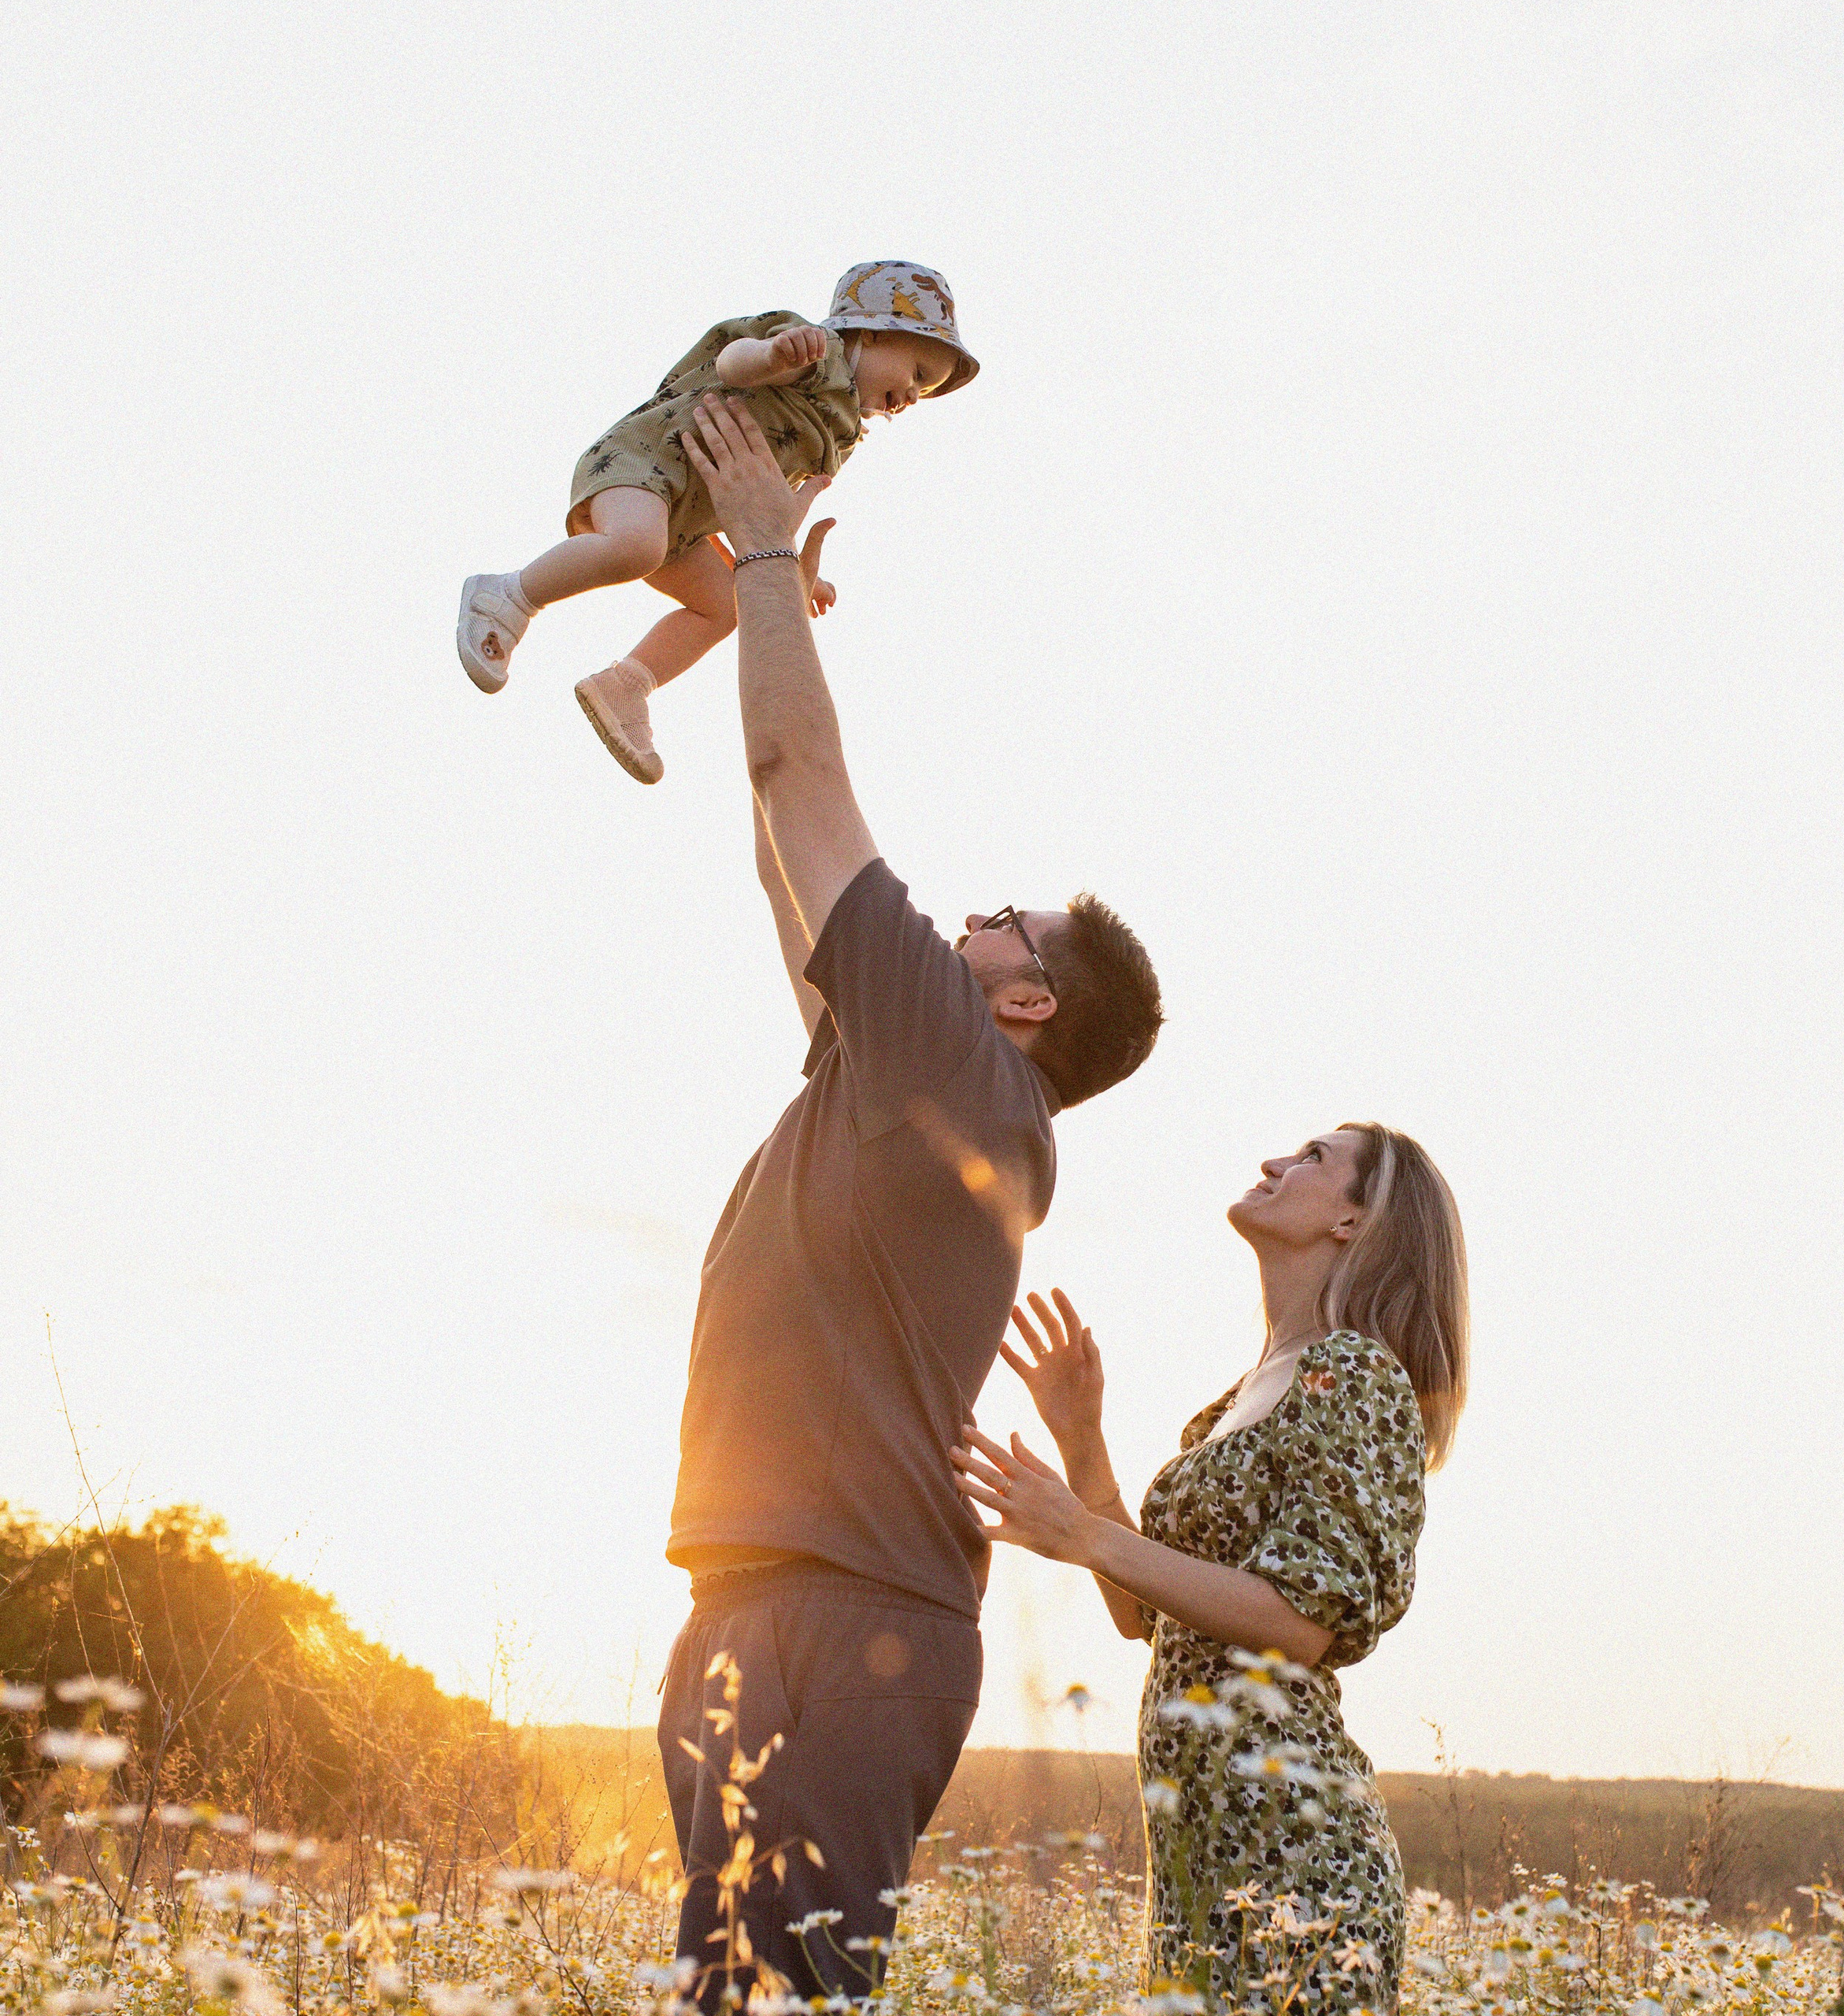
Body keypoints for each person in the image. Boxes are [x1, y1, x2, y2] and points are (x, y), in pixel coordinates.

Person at [654, 392, 1164, 2005]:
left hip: (855, 1616)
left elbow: (795, 771)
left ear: (1023, 1005)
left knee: (782, 1991)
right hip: (749, 1582)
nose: (970, 911)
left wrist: (750, 553)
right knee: (723, 1987)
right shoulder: (890, 1068)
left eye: (1005, 921)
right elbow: (774, 847)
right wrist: (775, 606)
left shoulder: (958, 1071)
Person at [953, 1124, 1469, 2014]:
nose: (1274, 1162)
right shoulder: (1239, 1398)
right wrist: (1082, 1438)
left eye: (1312, 1157)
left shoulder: (1350, 1377)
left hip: (1295, 1865)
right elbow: (1142, 1615)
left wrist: (1083, 1532)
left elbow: (1298, 1622)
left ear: (1354, 1219)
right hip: (1204, 1861)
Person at [456, 260, 977, 784]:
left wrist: (794, 569)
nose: (914, 396)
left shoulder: (835, 435)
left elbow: (761, 508)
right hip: (648, 460)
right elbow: (733, 364)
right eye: (917, 374)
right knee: (638, 546)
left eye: (926, 391)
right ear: (869, 332)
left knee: (730, 606)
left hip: (686, 519)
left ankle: (627, 686)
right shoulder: (819, 355)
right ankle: (506, 596)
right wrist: (771, 356)